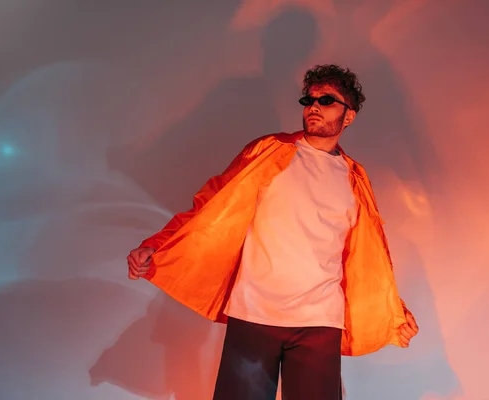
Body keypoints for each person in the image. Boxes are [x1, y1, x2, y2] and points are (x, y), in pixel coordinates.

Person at [127, 64, 419, 400]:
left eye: (327, 101)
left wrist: (393, 311)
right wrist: (157, 245)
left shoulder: (353, 179)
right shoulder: (268, 152)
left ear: (348, 116)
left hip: (319, 322)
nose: (314, 107)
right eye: (309, 99)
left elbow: (368, 258)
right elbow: (210, 205)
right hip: (255, 312)